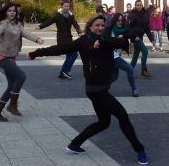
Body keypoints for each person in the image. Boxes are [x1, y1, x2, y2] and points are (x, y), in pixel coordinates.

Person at [29, 14, 148, 164]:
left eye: (102, 26)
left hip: (98, 89)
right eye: (97, 25)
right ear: (90, 26)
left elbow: (120, 42)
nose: (100, 28)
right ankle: (140, 150)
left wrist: (105, 42)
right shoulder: (83, 41)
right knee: (122, 117)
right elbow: (60, 48)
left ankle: (74, 144)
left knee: (104, 122)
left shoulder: (105, 39)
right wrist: (36, 53)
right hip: (96, 90)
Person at [0, 3, 44, 121]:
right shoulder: (4, 24)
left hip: (12, 57)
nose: (12, 13)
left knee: (11, 85)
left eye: (14, 11)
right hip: (3, 58)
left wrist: (37, 39)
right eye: (9, 11)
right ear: (6, 12)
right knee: (21, 76)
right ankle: (12, 105)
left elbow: (27, 33)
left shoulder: (18, 25)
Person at [38, 0, 82, 79]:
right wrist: (40, 26)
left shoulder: (71, 15)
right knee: (74, 54)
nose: (67, 8)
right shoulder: (58, 15)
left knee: (71, 55)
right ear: (61, 6)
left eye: (68, 6)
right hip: (62, 39)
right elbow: (50, 21)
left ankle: (63, 73)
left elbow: (76, 25)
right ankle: (65, 71)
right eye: (65, 6)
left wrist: (79, 32)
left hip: (69, 38)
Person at [105, 13, 139, 97]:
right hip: (112, 55)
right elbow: (107, 41)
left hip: (116, 54)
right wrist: (116, 39)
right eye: (118, 20)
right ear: (115, 21)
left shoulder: (124, 29)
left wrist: (123, 35)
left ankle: (101, 87)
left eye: (121, 20)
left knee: (115, 77)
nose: (120, 22)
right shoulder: (110, 29)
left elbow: (131, 34)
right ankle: (134, 89)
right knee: (130, 69)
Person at [127, 0, 154, 78]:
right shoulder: (132, 15)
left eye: (140, 5)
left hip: (140, 36)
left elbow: (147, 28)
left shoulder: (145, 14)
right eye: (137, 5)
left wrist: (151, 38)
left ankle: (130, 71)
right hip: (135, 37)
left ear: (142, 5)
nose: (139, 6)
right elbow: (128, 28)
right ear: (135, 6)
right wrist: (134, 37)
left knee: (136, 55)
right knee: (145, 51)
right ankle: (144, 70)